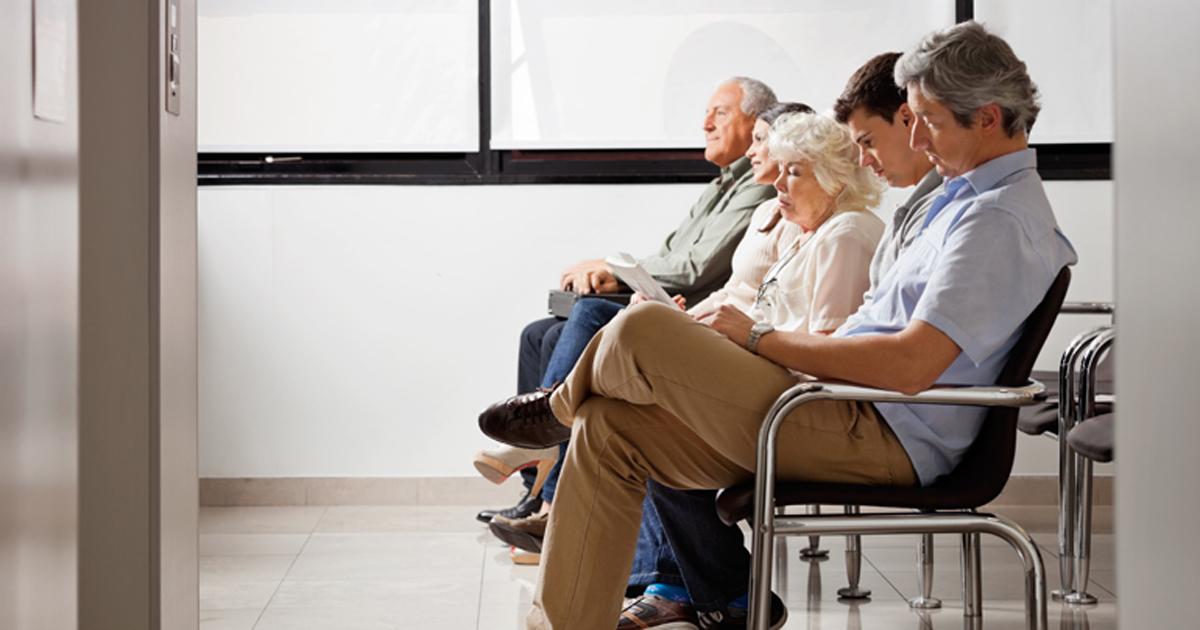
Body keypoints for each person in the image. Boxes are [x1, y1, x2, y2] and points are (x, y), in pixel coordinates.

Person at [481, 21, 1077, 630]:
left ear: (987, 117)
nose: (916, 137)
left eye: (929, 119)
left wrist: (758, 338)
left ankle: (558, 409)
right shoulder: (954, 202)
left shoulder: (997, 221)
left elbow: (909, 365)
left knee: (641, 332)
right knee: (609, 426)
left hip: (877, 431)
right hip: (839, 406)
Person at [625, 50, 950, 629]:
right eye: (777, 172)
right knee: (642, 369)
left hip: (814, 400)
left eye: (792, 172)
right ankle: (704, 590)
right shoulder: (808, 232)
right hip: (791, 385)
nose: (776, 185)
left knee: (648, 381)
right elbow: (773, 323)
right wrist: (720, 336)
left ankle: (714, 591)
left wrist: (740, 342)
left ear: (834, 175)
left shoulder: (846, 234)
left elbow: (822, 351)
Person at [484, 102, 815, 567]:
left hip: (737, 341)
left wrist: (630, 284)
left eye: (722, 114)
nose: (706, 125)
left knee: (595, 320)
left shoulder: (775, 208)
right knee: (541, 333)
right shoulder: (741, 197)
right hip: (707, 316)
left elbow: (709, 274)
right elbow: (715, 278)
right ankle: (541, 484)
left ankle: (546, 454)